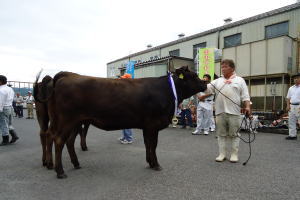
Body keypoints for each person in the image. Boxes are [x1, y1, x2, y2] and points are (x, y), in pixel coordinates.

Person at [206, 59, 251, 163]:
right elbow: (207, 88)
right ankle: (222, 154)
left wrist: (247, 107)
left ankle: (234, 154)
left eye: (225, 66)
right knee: (221, 134)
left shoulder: (240, 80)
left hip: (234, 112)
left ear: (232, 68)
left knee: (234, 134)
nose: (223, 69)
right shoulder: (217, 81)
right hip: (219, 111)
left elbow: (245, 96)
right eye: (222, 67)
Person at [0, 75, 19, 145]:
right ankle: (14, 135)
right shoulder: (10, 89)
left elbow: (0, 102)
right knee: (9, 123)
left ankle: (5, 140)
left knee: (3, 124)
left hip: (3, 108)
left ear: (0, 82)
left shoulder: (1, 90)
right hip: (10, 107)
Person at [118, 73, 134, 144]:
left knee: (127, 123)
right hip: (125, 107)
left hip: (129, 108)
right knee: (124, 123)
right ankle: (125, 137)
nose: (122, 79)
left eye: (123, 78)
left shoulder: (130, 87)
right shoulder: (126, 86)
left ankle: (129, 139)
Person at [285, 73, 300, 140]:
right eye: (294, 78)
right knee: (291, 121)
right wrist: (288, 105)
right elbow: (288, 98)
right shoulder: (291, 88)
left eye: (297, 78)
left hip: (299, 105)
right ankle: (292, 135)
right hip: (292, 106)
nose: (295, 79)